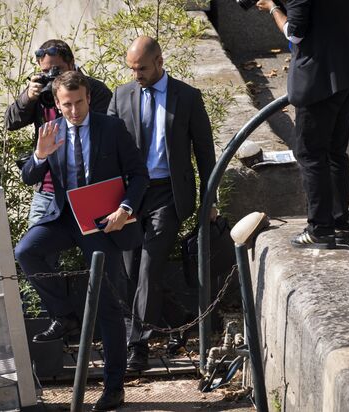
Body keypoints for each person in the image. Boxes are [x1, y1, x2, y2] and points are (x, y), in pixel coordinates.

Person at [14, 71, 148, 411]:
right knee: (26, 251)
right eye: (66, 105)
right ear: (57, 105)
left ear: (88, 98)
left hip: (103, 222)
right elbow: (30, 176)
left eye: (78, 103)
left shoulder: (111, 128)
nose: (73, 111)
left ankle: (114, 387)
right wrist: (40, 155)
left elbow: (139, 175)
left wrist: (125, 209)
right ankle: (65, 313)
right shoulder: (52, 131)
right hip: (64, 217)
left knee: (106, 304)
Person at [107, 36, 217, 372]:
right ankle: (180, 319)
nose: (136, 74)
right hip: (130, 196)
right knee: (128, 271)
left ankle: (137, 347)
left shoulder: (186, 97)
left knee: (150, 266)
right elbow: (108, 148)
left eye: (141, 67)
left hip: (168, 193)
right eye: (131, 68)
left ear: (159, 62)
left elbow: (205, 152)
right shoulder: (121, 95)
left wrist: (209, 200)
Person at [256, 0, 349, 249]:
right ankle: (339, 224)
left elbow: (295, 33)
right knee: (334, 150)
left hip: (319, 79)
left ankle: (320, 228)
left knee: (310, 153)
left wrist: (273, 9)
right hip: (347, 71)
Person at [4, 39, 112, 227]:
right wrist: (28, 98)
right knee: (32, 251)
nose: (52, 76)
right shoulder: (42, 92)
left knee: (99, 248)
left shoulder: (94, 91)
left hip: (88, 188)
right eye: (46, 72)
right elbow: (10, 122)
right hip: (49, 189)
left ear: (72, 64)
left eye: (58, 70)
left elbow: (107, 133)